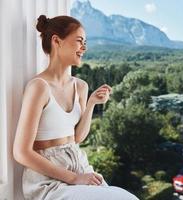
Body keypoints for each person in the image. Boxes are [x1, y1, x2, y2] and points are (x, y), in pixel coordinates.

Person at [13, 15, 139, 200]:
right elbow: (21, 152)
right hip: (49, 180)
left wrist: (90, 105)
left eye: (85, 42)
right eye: (79, 41)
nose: (84, 48)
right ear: (57, 41)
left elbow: (77, 137)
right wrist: (74, 178)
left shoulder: (80, 86)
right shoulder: (39, 87)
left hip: (80, 166)